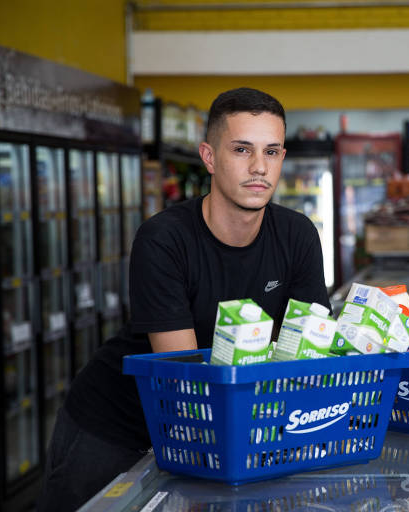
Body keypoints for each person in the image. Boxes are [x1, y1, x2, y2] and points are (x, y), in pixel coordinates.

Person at [37, 87, 330, 511]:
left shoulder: (298, 236)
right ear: (209, 157)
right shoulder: (165, 239)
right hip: (118, 426)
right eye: (242, 149)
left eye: (272, 151)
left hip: (223, 426)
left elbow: (309, 355)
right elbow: (185, 384)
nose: (258, 167)